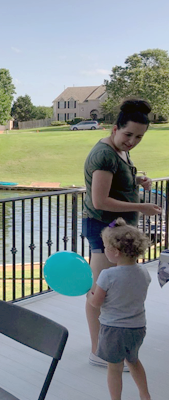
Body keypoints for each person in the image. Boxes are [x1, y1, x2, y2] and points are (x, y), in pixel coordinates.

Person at [82, 99, 161, 368]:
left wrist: (136, 179)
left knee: (115, 290)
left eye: (139, 137)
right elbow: (100, 201)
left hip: (118, 230)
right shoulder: (103, 155)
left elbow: (117, 179)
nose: (132, 141)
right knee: (99, 294)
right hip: (105, 229)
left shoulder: (120, 152)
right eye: (128, 134)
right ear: (115, 128)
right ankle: (98, 352)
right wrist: (142, 206)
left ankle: (112, 346)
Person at [88, 218, 152, 400]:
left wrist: (88, 293)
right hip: (138, 328)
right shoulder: (144, 272)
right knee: (133, 361)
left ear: (115, 252)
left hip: (113, 330)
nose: (104, 250)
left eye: (105, 247)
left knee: (114, 368)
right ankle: (145, 395)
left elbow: (96, 303)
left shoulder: (107, 275)